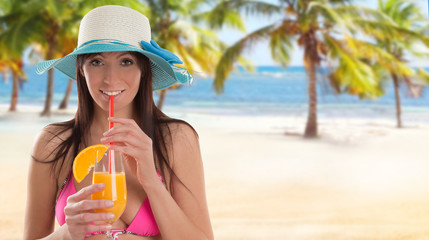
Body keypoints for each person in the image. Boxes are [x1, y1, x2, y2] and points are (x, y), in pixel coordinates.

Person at [24, 5, 213, 240]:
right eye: (96, 62)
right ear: (81, 69)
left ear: (144, 69)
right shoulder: (53, 144)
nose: (110, 78)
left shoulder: (176, 139)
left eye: (126, 61)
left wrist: (152, 182)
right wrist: (66, 234)